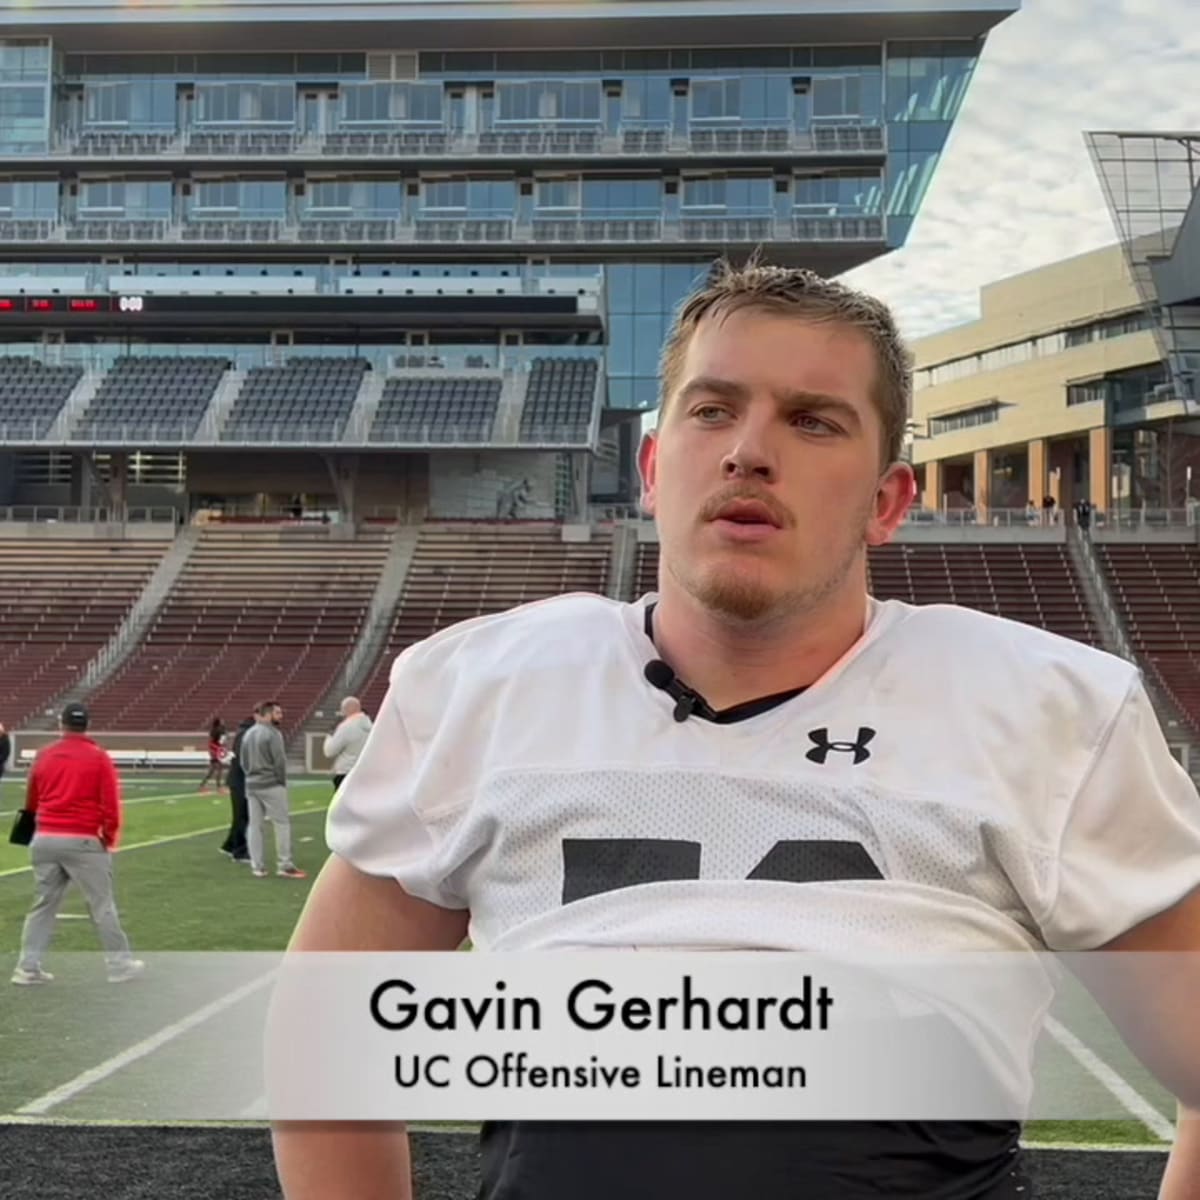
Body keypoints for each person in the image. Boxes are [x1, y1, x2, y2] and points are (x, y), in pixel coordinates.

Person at [274, 263, 1200, 1199]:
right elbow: (325, 1044)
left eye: (813, 420)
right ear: (651, 467)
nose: (750, 451)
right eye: (713, 410)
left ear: (887, 501)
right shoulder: (485, 688)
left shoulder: (1043, 709)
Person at [12, 702, 144, 986]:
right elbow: (110, 807)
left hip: (45, 836)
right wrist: (108, 838)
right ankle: (119, 965)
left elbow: (32, 801)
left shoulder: (44, 755)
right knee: (101, 904)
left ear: (62, 724)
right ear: (86, 725)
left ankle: (27, 967)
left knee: (43, 904)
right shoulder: (98, 758)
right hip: (81, 837)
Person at [239, 701, 305, 880]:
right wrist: (281, 781)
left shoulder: (248, 734)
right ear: (267, 715)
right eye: (277, 713)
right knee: (282, 824)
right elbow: (279, 761)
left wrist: (251, 776)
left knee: (255, 825)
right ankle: (285, 864)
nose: (280, 717)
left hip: (251, 784)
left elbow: (243, 762)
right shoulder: (273, 734)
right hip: (271, 784)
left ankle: (257, 866)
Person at [219, 714, 255, 863]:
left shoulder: (244, 733)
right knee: (243, 816)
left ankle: (229, 846)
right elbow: (243, 758)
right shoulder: (246, 734)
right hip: (241, 781)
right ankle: (239, 851)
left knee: (240, 816)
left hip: (239, 780)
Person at [322, 697, 373, 794]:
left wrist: (329, 737)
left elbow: (329, 751)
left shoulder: (346, 726)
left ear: (346, 710)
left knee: (341, 808)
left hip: (346, 773)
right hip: (366, 773)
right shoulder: (371, 725)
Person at [199, 716, 227, 793]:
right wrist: (217, 750)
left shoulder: (219, 730)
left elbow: (221, 742)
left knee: (212, 770)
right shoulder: (217, 731)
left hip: (216, 751)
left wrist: (221, 749)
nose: (223, 721)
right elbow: (213, 742)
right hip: (216, 751)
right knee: (219, 769)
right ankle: (219, 787)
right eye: (222, 721)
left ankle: (202, 785)